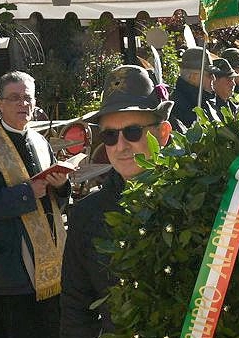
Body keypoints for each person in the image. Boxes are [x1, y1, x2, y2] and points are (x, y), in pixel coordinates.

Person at [60, 65, 174, 338]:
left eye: (133, 132)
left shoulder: (199, 200)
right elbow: (76, 310)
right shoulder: (87, 215)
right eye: (110, 135)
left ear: (163, 133)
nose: (121, 146)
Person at [0, 71, 71, 338]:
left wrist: (60, 186)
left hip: (49, 264)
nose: (23, 104)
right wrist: (26, 193)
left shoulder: (40, 140)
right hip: (11, 270)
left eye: (27, 98)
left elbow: (55, 200)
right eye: (14, 98)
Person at [170, 46, 213, 132]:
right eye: (209, 75)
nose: (213, 79)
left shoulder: (202, 100)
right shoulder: (177, 107)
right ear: (193, 77)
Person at [205, 58, 239, 122]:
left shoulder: (235, 106)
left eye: (233, 79)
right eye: (229, 80)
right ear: (214, 81)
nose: (233, 84)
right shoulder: (211, 108)